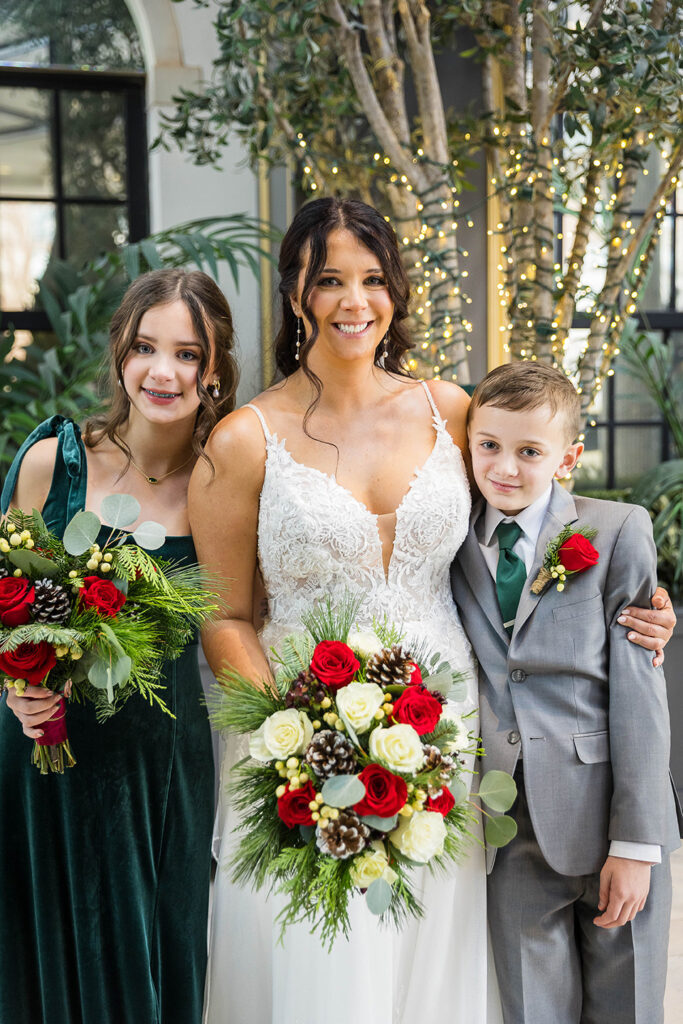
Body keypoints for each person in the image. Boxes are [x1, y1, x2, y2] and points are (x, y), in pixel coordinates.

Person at [191, 197, 674, 1024]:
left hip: (449, 735)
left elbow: (531, 505)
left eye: (373, 279)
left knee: (440, 965)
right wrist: (295, 739)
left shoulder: (447, 410)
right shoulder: (243, 438)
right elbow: (225, 616)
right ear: (295, 290)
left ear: (396, 290)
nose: (355, 301)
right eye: (330, 279)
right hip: (302, 749)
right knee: (323, 965)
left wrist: (634, 596)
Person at [0, 268, 238, 1024]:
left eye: (188, 354)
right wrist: (15, 683)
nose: (162, 372)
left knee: (155, 961)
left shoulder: (226, 482)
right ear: (120, 354)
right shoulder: (55, 461)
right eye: (144, 347)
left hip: (159, 765)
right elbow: (6, 597)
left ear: (216, 370)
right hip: (44, 754)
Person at [451, 361, 682, 1024]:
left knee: (627, 1003)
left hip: (607, 810)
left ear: (567, 457)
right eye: (487, 446)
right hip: (505, 824)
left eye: (529, 452)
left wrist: (636, 845)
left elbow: (639, 694)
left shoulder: (613, 532)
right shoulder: (453, 538)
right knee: (531, 1008)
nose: (504, 468)